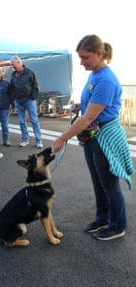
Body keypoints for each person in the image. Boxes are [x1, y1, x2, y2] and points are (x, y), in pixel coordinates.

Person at [52, 34, 135, 241]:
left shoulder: (106, 79)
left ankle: (118, 226)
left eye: (85, 57)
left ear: (100, 54)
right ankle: (103, 218)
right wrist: (82, 104)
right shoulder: (94, 74)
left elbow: (89, 118)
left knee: (109, 184)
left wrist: (62, 138)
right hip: (93, 136)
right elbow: (91, 107)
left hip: (104, 135)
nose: (81, 62)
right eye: (80, 57)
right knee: (99, 182)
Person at [9, 55, 43, 148]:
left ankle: (39, 140)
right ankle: (25, 139)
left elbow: (35, 86)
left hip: (29, 100)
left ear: (19, 62)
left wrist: (33, 97)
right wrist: (13, 100)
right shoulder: (13, 75)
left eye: (13, 64)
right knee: (21, 121)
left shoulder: (29, 72)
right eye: (11, 65)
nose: (12, 66)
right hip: (19, 101)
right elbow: (11, 88)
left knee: (34, 120)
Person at [0, 66, 12, 146]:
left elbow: (10, 94)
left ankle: (6, 140)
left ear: (1, 73)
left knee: (5, 124)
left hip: (5, 106)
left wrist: (12, 105)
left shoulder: (6, 83)